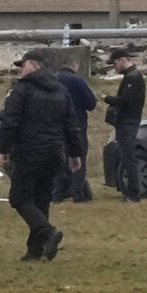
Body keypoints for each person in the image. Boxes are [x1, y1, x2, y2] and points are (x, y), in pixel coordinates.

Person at [0, 51, 83, 261]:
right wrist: (75, 153)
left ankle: (47, 231)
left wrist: (3, 148)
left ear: (34, 65)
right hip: (55, 153)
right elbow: (72, 125)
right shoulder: (61, 90)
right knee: (41, 199)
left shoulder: (21, 90)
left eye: (22, 66)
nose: (20, 70)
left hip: (29, 151)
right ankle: (36, 250)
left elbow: (10, 121)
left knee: (19, 197)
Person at [105, 46, 147, 202]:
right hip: (129, 122)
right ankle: (132, 191)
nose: (114, 68)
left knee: (128, 157)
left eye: (114, 64)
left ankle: (133, 193)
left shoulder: (133, 77)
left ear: (123, 60)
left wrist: (108, 99)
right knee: (127, 157)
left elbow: (126, 100)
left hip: (128, 122)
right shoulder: (132, 76)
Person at [54, 61, 99, 202]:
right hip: (77, 124)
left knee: (59, 160)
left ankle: (57, 193)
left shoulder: (52, 80)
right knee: (78, 159)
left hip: (56, 126)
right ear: (74, 65)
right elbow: (91, 103)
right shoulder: (78, 80)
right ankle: (78, 193)